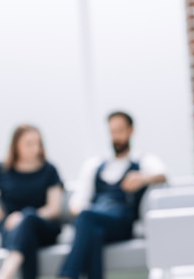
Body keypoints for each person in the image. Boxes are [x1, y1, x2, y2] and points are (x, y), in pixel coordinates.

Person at [58, 110, 167, 279]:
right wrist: (84, 216)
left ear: (131, 131)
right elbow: (76, 205)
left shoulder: (142, 161)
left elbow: (163, 175)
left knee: (88, 220)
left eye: (120, 130)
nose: (115, 136)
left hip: (122, 222)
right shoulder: (94, 166)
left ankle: (67, 275)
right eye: (112, 131)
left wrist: (142, 178)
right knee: (92, 231)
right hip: (95, 219)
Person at [0, 124, 64, 279]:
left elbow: (53, 209)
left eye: (37, 143)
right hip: (13, 231)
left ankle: (6, 273)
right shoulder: (2, 169)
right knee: (27, 238)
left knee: (29, 218)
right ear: (16, 145)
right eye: (28, 143)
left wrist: (23, 216)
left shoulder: (49, 170)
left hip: (43, 227)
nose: (34, 148)